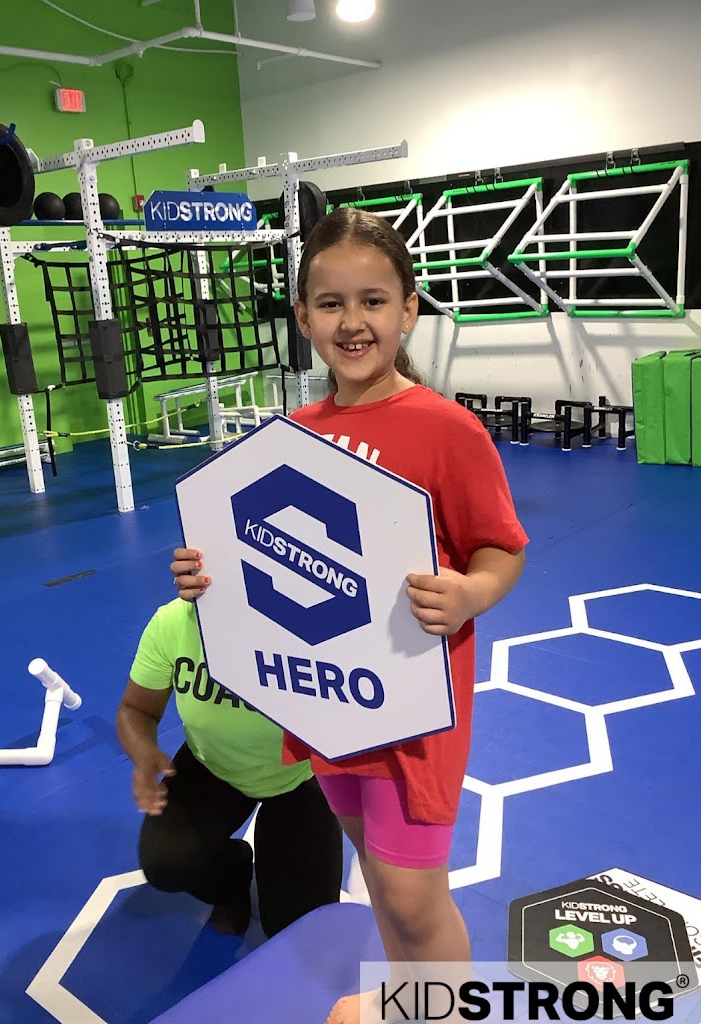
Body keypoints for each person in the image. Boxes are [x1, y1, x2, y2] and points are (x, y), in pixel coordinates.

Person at [171, 207, 528, 1024]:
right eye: (331, 303)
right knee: (377, 875)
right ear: (303, 318)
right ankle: (410, 999)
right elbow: (260, 553)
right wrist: (206, 575)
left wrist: (470, 593)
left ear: (409, 309)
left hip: (415, 713)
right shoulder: (294, 434)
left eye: (373, 301)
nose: (352, 321)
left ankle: (444, 1011)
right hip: (328, 702)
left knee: (410, 894)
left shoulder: (446, 430)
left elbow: (501, 549)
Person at [115, 593, 343, 940]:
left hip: (302, 774)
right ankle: (232, 879)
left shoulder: (321, 628)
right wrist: (144, 754)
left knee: (294, 928)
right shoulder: (176, 622)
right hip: (212, 763)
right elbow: (136, 709)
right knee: (168, 863)